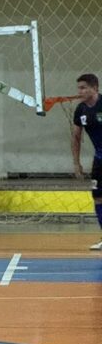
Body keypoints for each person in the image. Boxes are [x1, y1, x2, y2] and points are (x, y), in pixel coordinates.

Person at [71, 73, 102, 251]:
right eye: (79, 88)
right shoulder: (81, 110)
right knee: (97, 197)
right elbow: (76, 137)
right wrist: (76, 163)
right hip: (99, 160)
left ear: (95, 88)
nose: (80, 91)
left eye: (83, 88)